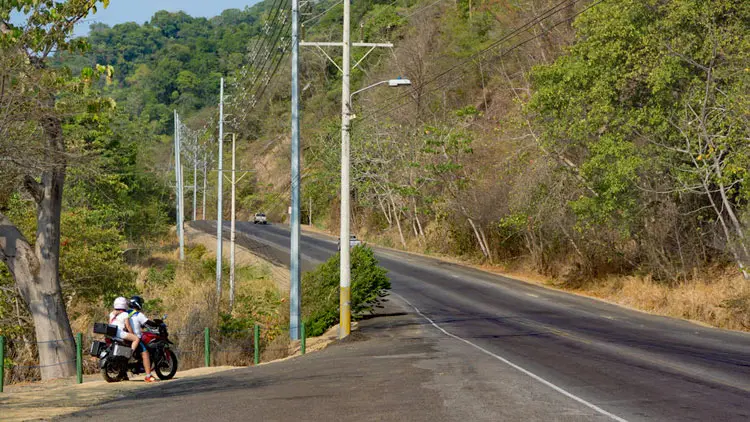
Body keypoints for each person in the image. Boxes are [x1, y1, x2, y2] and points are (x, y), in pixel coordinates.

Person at [126, 295, 157, 383]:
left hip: (125, 336)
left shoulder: (125, 313)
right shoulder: (138, 314)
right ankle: (148, 376)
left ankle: (123, 374)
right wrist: (156, 325)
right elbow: (148, 323)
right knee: (145, 353)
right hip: (135, 337)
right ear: (137, 304)